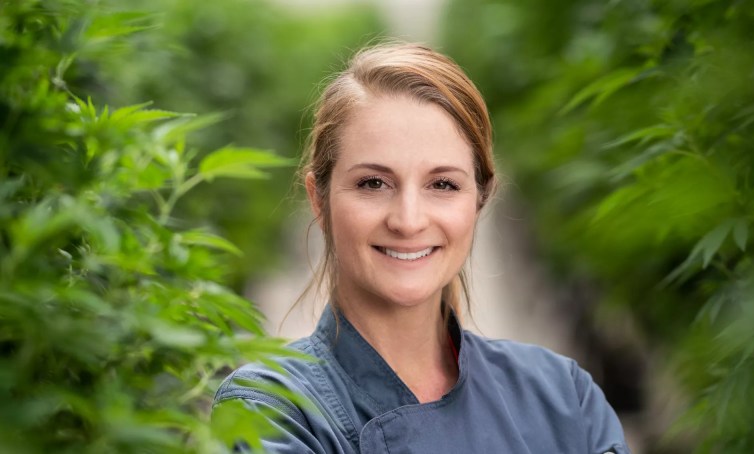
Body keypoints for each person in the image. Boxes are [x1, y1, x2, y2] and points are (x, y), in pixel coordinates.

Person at [214, 42, 631, 454]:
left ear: (480, 200)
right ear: (319, 200)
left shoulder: (561, 396)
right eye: (373, 183)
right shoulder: (272, 412)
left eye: (442, 185)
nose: (409, 220)